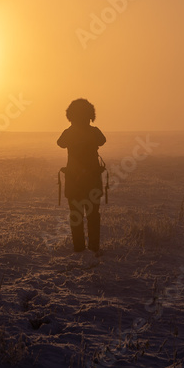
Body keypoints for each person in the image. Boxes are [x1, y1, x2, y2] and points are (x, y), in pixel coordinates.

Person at [57, 98, 106, 253]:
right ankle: (94, 248)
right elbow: (102, 140)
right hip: (91, 182)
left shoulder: (68, 133)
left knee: (76, 216)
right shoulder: (94, 132)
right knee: (92, 216)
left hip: (74, 183)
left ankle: (79, 248)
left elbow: (60, 143)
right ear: (90, 115)